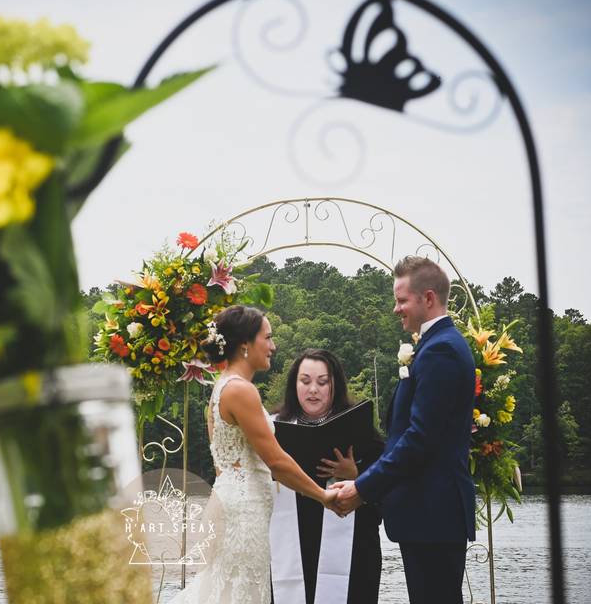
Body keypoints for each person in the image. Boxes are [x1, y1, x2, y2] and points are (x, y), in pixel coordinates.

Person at [331, 257, 476, 604]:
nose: (396, 309)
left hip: (433, 515)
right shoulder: (436, 345)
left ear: (428, 298)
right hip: (429, 516)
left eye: (401, 300)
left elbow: (419, 439)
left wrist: (363, 487)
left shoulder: (440, 350)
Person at [170, 305, 337, 604]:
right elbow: (276, 461)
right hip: (242, 516)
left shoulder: (222, 388)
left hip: (235, 507)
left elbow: (225, 466)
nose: (273, 346)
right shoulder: (241, 391)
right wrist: (324, 497)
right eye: (268, 338)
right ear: (246, 344)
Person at [269, 348, 384, 604]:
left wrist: (356, 474)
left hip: (353, 545)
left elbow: (385, 482)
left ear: (336, 386)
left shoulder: (358, 428)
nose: (313, 390)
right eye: (305, 381)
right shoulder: (271, 428)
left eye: (323, 382)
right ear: (293, 385)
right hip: (290, 540)